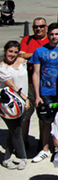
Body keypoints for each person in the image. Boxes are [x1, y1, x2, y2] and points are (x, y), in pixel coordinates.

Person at [30, 23, 58, 163]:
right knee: (45, 121)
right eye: (51, 34)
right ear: (48, 34)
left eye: (56, 34)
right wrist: (37, 95)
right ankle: (44, 149)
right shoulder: (39, 51)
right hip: (45, 91)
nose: (54, 37)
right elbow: (36, 73)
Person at [0, 40, 29, 170]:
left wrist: (24, 55)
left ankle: (6, 158)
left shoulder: (21, 61)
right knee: (16, 131)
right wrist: (25, 98)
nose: (12, 54)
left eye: (15, 52)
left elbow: (33, 55)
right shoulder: (2, 68)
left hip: (22, 104)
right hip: (9, 105)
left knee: (13, 131)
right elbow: (11, 85)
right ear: (5, 51)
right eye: (10, 51)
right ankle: (22, 157)